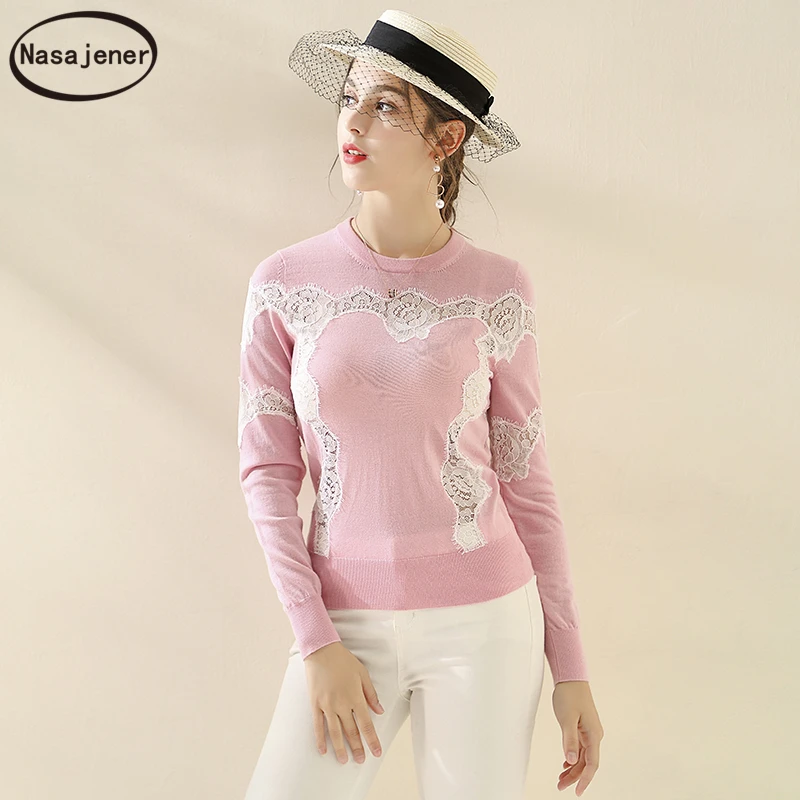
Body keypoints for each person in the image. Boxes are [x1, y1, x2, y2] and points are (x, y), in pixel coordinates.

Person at [238, 10, 603, 799]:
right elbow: (266, 474)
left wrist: (570, 668)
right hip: (341, 625)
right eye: (350, 99)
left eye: (386, 107)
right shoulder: (284, 283)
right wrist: (316, 641)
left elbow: (526, 481)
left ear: (446, 141)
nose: (353, 122)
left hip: (488, 623)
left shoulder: (498, 287)